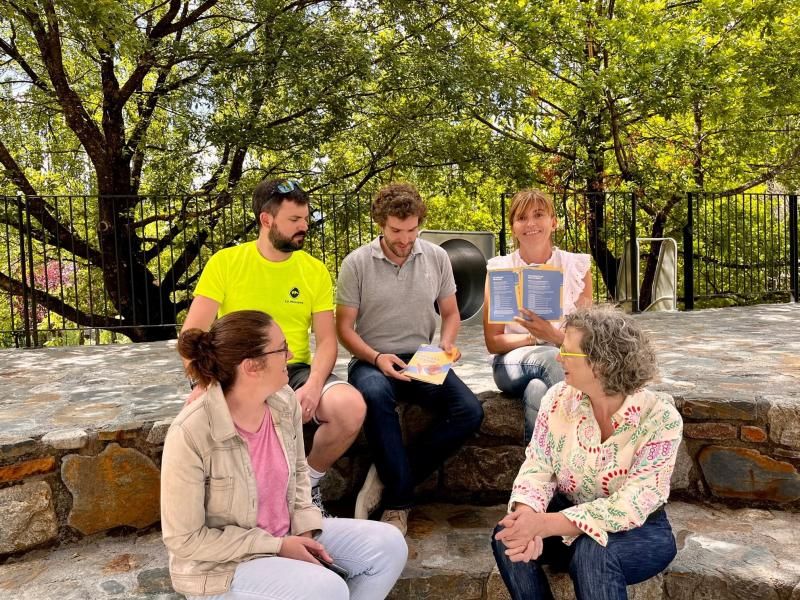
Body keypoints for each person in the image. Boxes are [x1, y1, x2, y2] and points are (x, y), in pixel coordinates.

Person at [162, 310, 407, 599]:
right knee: (326, 588)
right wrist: (277, 547)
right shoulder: (190, 433)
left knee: (389, 545)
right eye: (282, 349)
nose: (290, 355)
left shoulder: (284, 401)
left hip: (286, 535)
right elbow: (186, 540)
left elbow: (300, 474)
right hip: (222, 567)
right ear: (252, 366)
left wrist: (304, 529)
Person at [181, 178, 366, 514]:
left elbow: (327, 341)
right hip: (238, 372)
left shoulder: (314, 270)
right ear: (266, 220)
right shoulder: (226, 262)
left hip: (292, 369)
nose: (304, 226)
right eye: (294, 220)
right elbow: (193, 333)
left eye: (305, 218)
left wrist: (313, 385)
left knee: (350, 407)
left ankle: (307, 486)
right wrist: (205, 383)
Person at [491, 306, 683, 600]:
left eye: (567, 351)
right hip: (569, 515)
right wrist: (527, 517)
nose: (558, 357)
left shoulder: (660, 418)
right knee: (508, 534)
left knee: (593, 551)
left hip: (639, 531)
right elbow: (538, 466)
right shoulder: (557, 399)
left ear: (601, 363)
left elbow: (631, 504)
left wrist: (544, 525)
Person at [335, 182, 484, 536]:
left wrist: (446, 344)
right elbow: (343, 329)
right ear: (380, 224)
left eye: (412, 230)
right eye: (396, 231)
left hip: (422, 357)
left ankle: (391, 474)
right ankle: (399, 503)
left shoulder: (436, 257)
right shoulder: (356, 263)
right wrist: (376, 357)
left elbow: (451, 314)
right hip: (370, 358)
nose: (405, 239)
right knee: (375, 395)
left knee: (469, 411)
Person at [484, 189, 593, 443]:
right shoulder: (500, 269)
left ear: (553, 222)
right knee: (551, 359)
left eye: (538, 215)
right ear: (513, 227)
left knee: (538, 391)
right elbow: (493, 342)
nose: (530, 223)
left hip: (565, 360)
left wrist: (553, 335)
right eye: (521, 218)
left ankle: (538, 466)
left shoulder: (576, 267)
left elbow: (587, 338)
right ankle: (586, 443)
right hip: (511, 364)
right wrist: (536, 338)